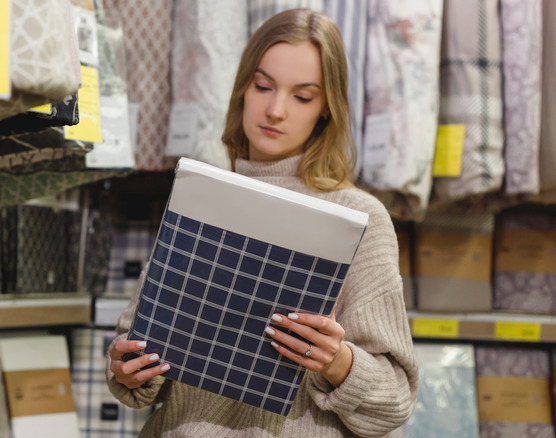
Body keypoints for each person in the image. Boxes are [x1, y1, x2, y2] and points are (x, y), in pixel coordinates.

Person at [107, 8, 418, 437]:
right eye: (263, 86)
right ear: (242, 89)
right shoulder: (202, 194)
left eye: (302, 96)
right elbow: (135, 362)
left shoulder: (361, 218)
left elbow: (394, 402)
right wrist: (130, 370)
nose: (275, 110)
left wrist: (337, 361)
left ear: (327, 109)